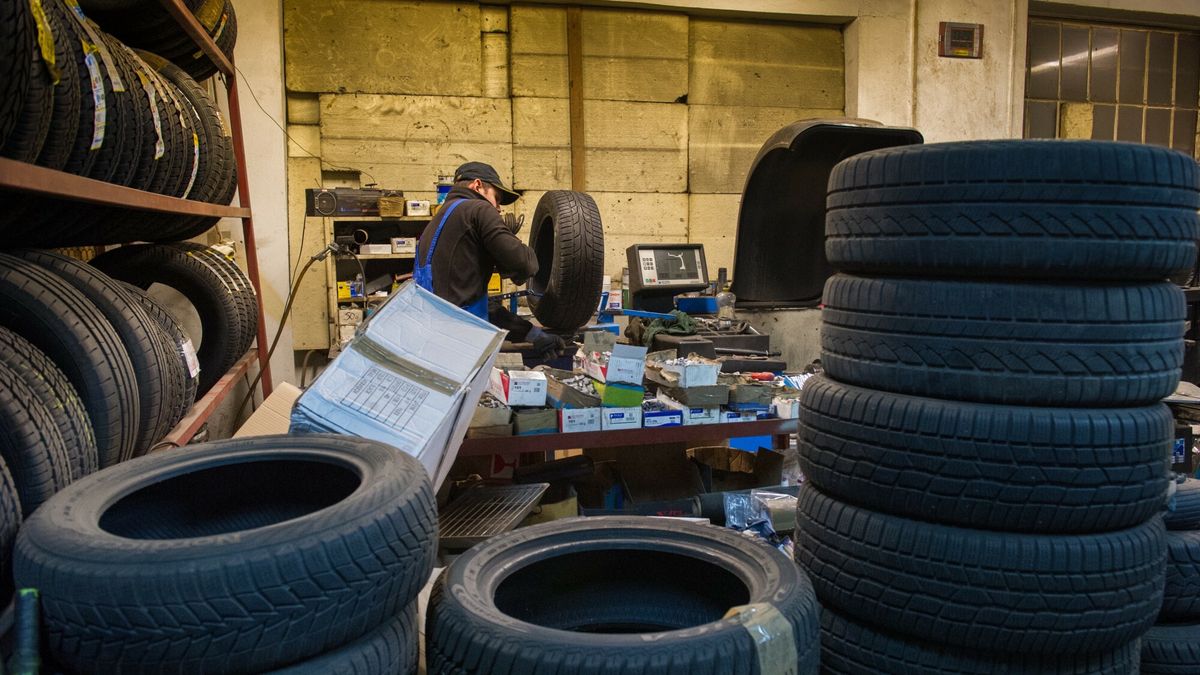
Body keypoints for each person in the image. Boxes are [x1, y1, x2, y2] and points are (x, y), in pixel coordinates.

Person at [415, 161, 563, 355]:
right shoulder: (479, 209)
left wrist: (531, 334)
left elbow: (472, 304)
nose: (498, 208)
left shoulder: (437, 222)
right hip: (461, 347)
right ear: (477, 186)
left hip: (431, 343)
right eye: (497, 198)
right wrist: (511, 241)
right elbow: (524, 265)